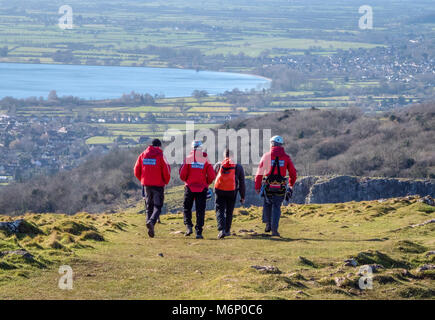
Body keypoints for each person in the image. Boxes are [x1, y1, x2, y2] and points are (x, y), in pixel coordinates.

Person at [255, 135, 297, 237]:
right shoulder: (286, 157)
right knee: (277, 207)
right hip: (281, 187)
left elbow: (259, 173)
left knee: (267, 204)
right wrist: (291, 185)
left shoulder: (266, 156)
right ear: (281, 145)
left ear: (272, 144)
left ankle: (268, 224)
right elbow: (293, 173)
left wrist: (257, 187)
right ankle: (274, 230)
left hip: (268, 186)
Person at [134, 138, 171, 238]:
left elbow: (136, 170)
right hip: (158, 185)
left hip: (147, 185)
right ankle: (152, 221)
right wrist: (165, 181)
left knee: (148, 206)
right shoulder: (161, 155)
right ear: (159, 146)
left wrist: (143, 180)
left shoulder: (143, 154)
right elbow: (166, 170)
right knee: (157, 206)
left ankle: (149, 223)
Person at [179, 140, 216, 239]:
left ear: (192, 148)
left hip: (189, 187)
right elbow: (212, 175)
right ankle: (199, 232)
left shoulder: (188, 158)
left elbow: (182, 175)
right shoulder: (205, 159)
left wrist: (187, 181)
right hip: (202, 188)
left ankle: (188, 227)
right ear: (201, 148)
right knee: (200, 210)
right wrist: (206, 183)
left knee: (187, 207)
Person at [213, 149, 246, 239]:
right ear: (233, 156)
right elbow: (242, 183)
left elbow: (212, 177)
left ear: (224, 155)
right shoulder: (238, 167)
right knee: (229, 211)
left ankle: (221, 229)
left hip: (219, 190)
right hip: (232, 191)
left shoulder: (218, 165)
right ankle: (227, 231)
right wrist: (242, 196)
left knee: (220, 209)